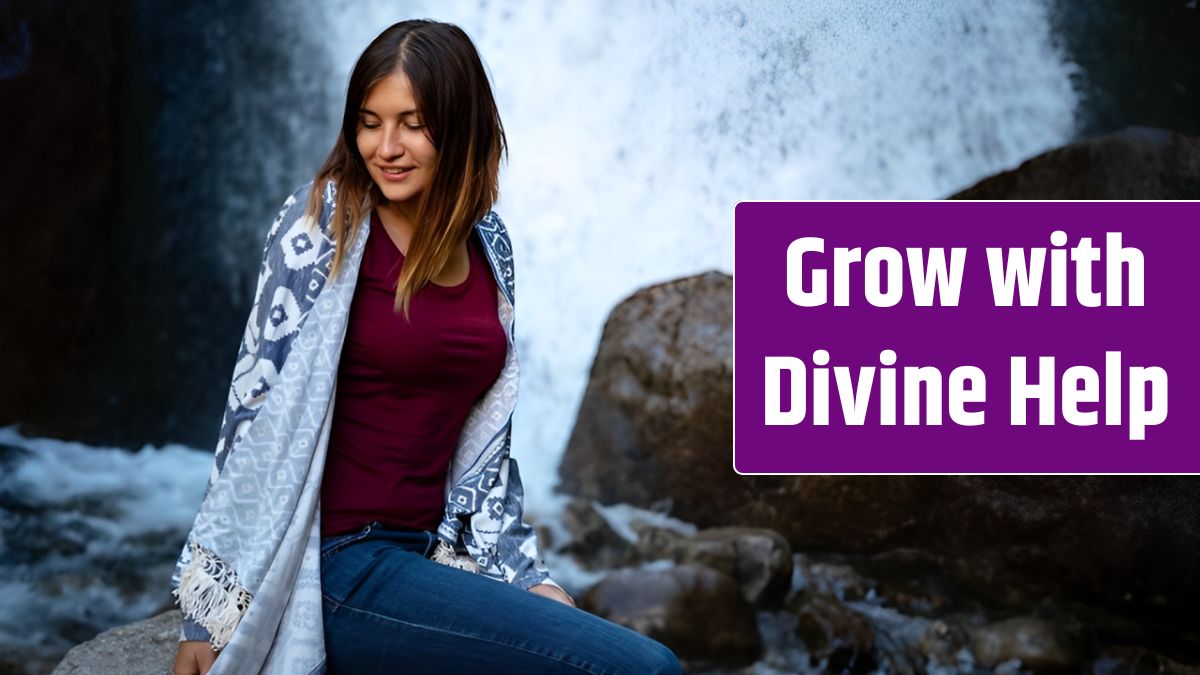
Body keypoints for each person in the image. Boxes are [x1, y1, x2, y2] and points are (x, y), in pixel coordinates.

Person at [170, 19, 682, 675]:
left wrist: (527, 576)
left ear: (459, 123)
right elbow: (253, 406)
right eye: (369, 121)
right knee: (647, 668)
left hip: (431, 556)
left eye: (412, 122)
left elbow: (486, 448)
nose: (386, 146)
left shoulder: (489, 243)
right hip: (339, 565)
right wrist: (207, 609)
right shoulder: (324, 220)